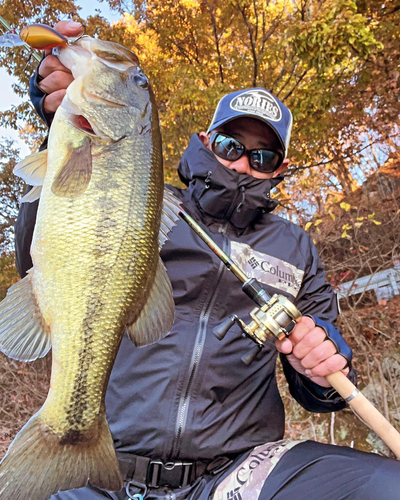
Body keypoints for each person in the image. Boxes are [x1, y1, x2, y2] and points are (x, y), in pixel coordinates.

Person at [14, 21, 400, 500]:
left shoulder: (296, 246)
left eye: (261, 157)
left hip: (238, 472)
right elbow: (38, 247)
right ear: (206, 139)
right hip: (109, 470)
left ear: (279, 169)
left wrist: (323, 361)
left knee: (387, 487)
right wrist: (53, 128)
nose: (242, 164)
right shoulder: (148, 202)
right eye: (231, 146)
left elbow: (319, 389)